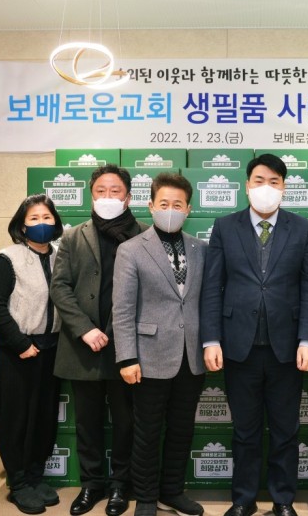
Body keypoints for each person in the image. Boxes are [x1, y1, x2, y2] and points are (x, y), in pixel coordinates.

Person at [200, 153, 308, 516]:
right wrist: (211, 339)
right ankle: (243, 499)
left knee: (286, 430)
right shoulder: (225, 226)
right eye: (259, 180)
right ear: (246, 186)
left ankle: (283, 500)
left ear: (284, 188)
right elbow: (212, 287)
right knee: (244, 430)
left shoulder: (302, 228)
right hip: (239, 347)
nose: (266, 187)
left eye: (274, 181)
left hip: (287, 348)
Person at [51, 164, 149, 516]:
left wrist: (118, 332)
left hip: (128, 346)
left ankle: (121, 484)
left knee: (126, 420)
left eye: (115, 191)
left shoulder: (145, 235)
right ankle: (91, 484)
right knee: (87, 422)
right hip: (84, 346)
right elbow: (60, 287)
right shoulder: (73, 236)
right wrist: (84, 328)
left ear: (128, 197)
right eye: (101, 191)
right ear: (90, 196)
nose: (108, 197)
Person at [112, 173, 207, 516]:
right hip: (148, 356)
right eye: (164, 203)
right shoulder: (131, 249)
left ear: (188, 209)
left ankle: (172, 492)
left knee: (182, 429)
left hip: (190, 356)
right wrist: (127, 358)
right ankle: (146, 497)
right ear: (151, 206)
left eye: (177, 204)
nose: (170, 209)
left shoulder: (201, 248)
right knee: (147, 431)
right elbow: (122, 309)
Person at [0, 195, 64, 514]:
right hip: (16, 350)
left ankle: (35, 475)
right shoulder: (8, 257)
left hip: (52, 348)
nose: (41, 223)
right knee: (17, 418)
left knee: (44, 417)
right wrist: (19, 343)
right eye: (34, 218)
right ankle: (18, 482)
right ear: (22, 225)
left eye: (47, 217)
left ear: (56, 222)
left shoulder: (61, 256)